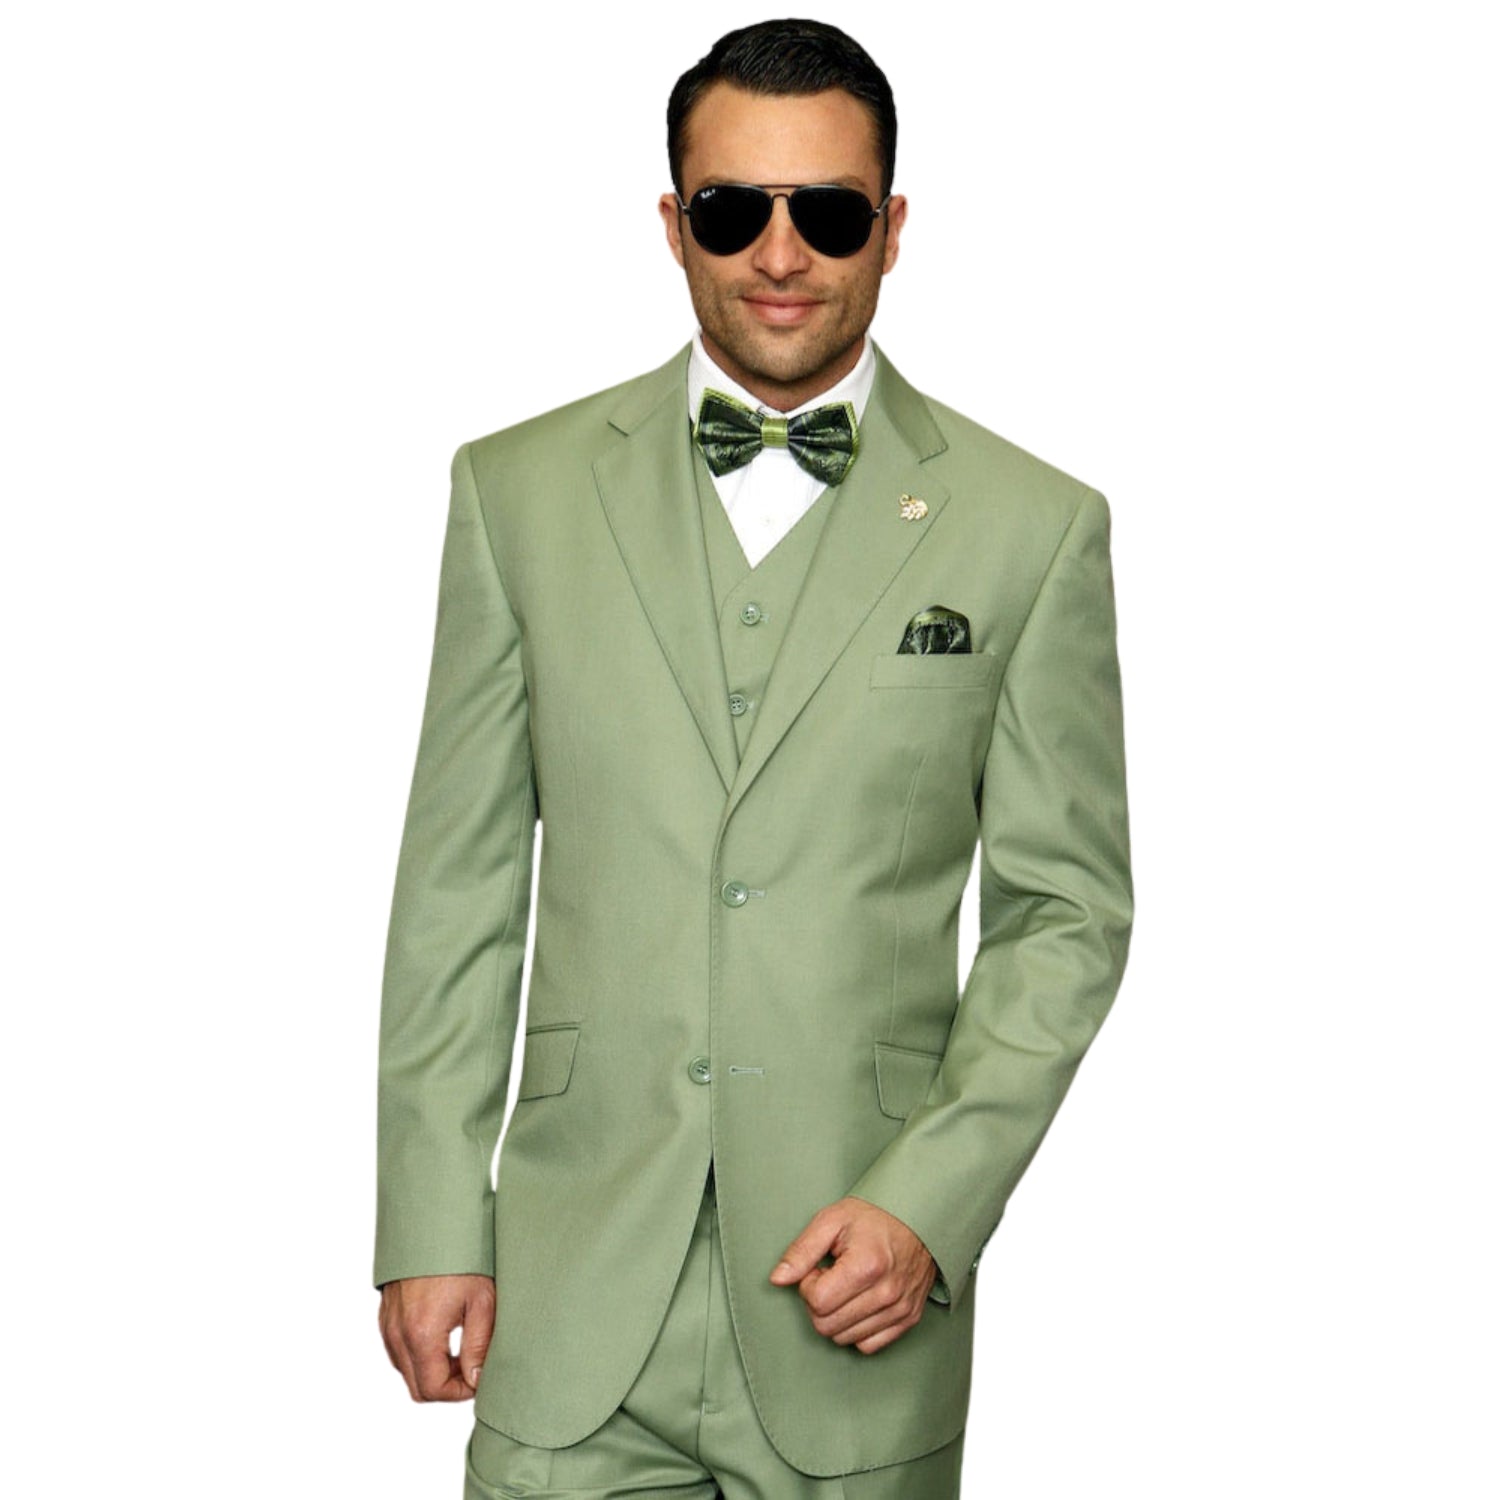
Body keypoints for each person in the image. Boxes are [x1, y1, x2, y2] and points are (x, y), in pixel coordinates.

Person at [374, 18, 1132, 1499]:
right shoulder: (515, 493)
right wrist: (429, 1217)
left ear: (892, 229)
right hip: (568, 1289)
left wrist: (932, 1202)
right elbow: (458, 888)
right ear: (674, 223)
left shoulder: (1034, 528)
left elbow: (1067, 914)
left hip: (860, 1291)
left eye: (828, 214)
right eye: (734, 210)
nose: (780, 255)